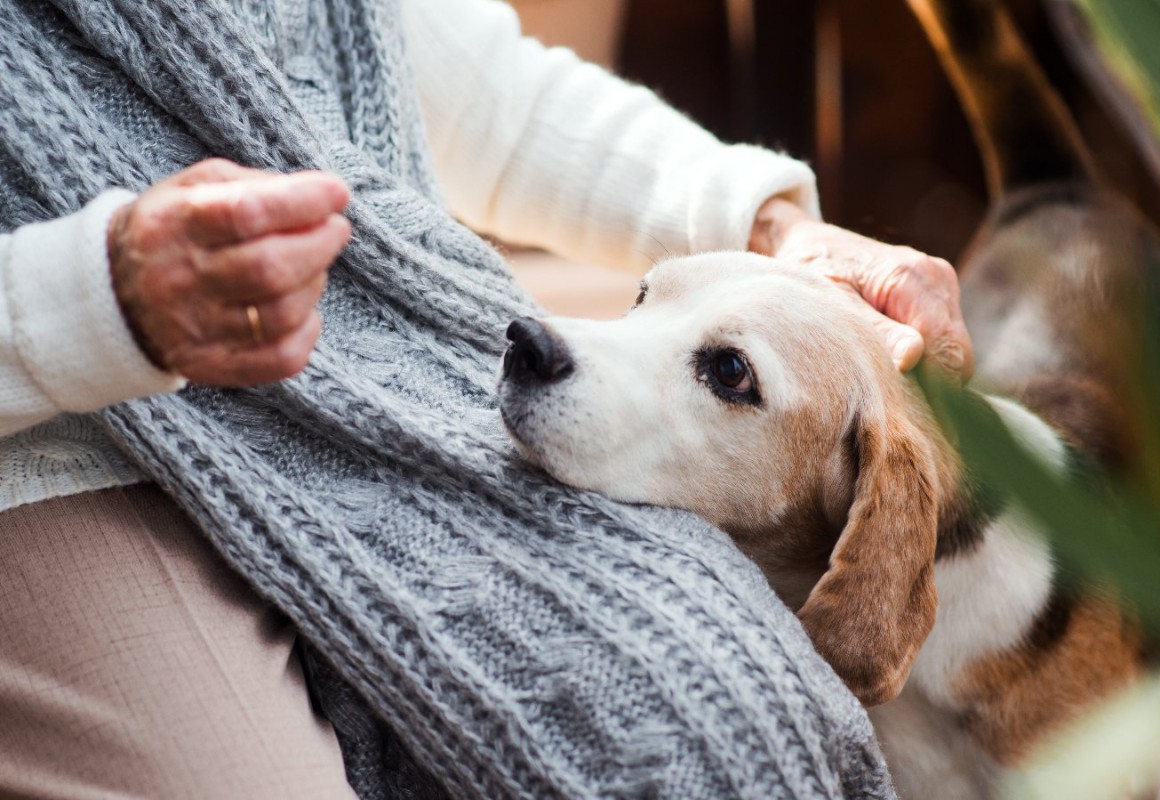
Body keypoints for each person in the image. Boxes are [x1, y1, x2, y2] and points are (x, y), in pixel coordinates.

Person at [0, 0, 971, 797]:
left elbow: (476, 98)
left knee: (730, 720)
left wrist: (768, 225)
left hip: (391, 376)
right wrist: (89, 301)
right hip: (55, 450)